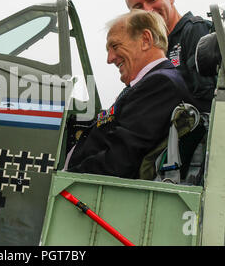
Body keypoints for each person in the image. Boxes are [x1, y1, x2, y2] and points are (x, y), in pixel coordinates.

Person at [66, 10, 195, 178]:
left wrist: (66, 176)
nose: (110, 58)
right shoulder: (147, 84)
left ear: (145, 40)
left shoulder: (160, 84)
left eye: (115, 46)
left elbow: (120, 160)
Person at [124, 0, 216, 113]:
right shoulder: (150, 53)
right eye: (138, 7)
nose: (148, 10)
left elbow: (210, 99)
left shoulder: (194, 30)